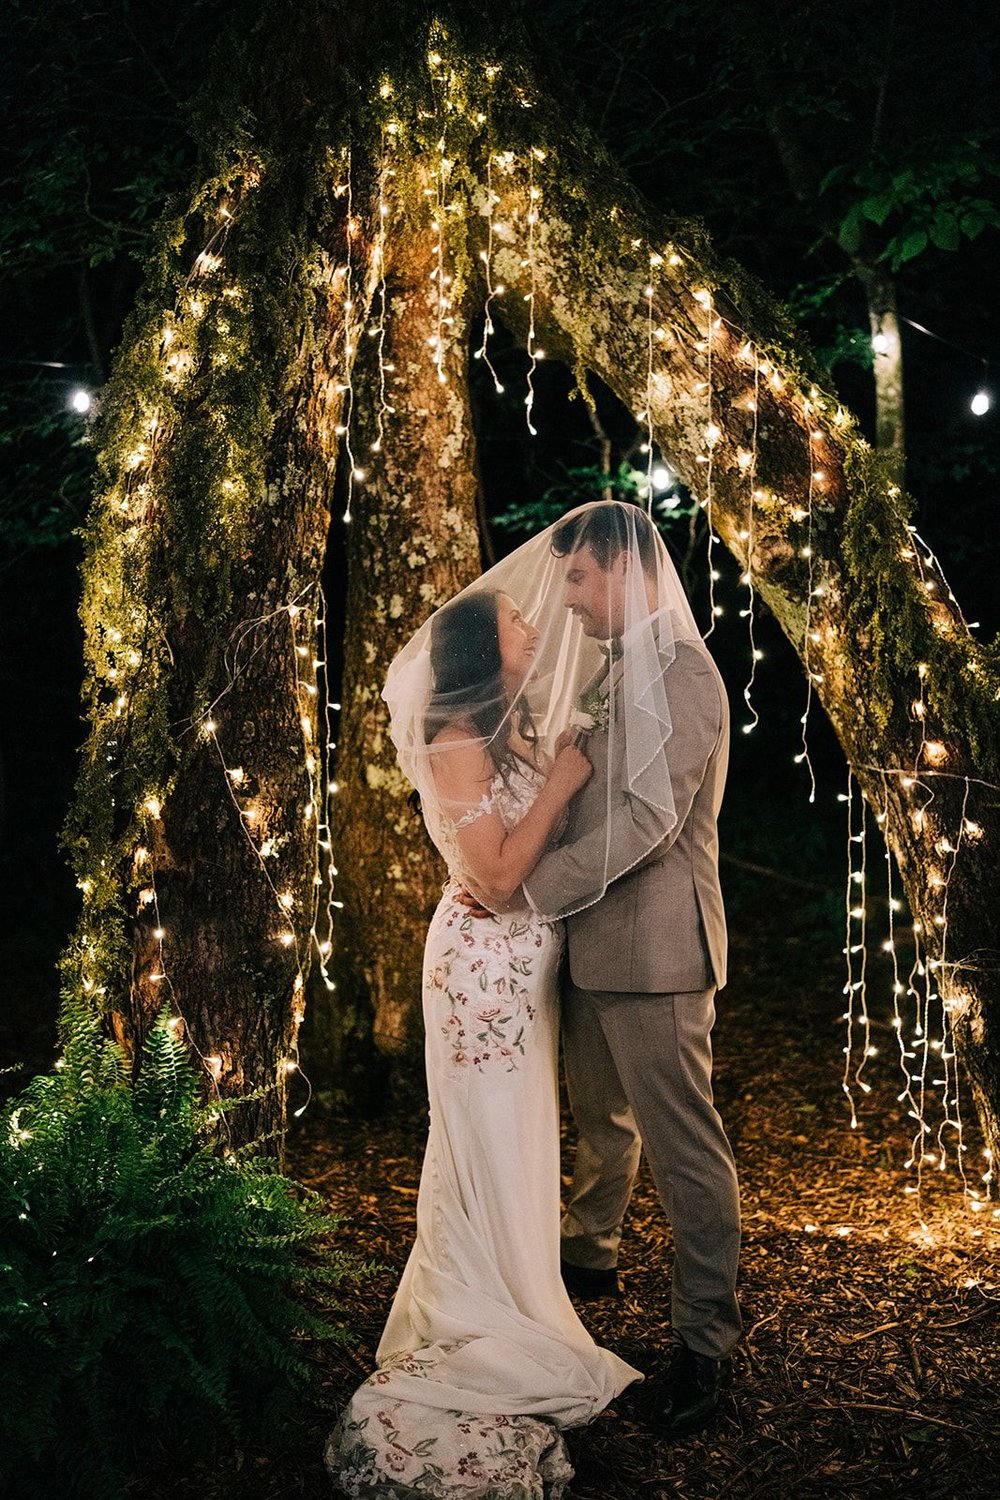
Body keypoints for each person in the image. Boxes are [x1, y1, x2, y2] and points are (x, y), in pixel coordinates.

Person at [325, 586, 641, 1500]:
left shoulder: (504, 736)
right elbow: (498, 879)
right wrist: (563, 783)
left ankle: (520, 1286)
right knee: (489, 1138)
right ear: (476, 647)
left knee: (520, 1137)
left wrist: (568, 766)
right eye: (514, 620)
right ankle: (490, 1308)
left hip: (525, 973)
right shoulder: (454, 742)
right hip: (481, 974)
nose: (533, 627)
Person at [519, 503, 741, 1439]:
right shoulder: (613, 669)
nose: (569, 598)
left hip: (656, 947)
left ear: (628, 569)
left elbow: (651, 821)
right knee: (600, 1117)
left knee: (685, 1146)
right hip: (591, 943)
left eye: (579, 577)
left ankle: (705, 1345)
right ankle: (591, 1255)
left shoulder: (687, 674)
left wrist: (531, 887)